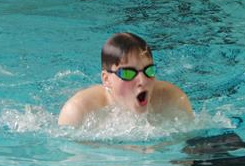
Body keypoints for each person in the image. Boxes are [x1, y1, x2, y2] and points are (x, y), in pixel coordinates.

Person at [58, 33, 193, 127]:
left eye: (148, 70)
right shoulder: (78, 112)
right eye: (128, 73)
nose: (142, 81)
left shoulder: (173, 100)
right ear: (106, 79)